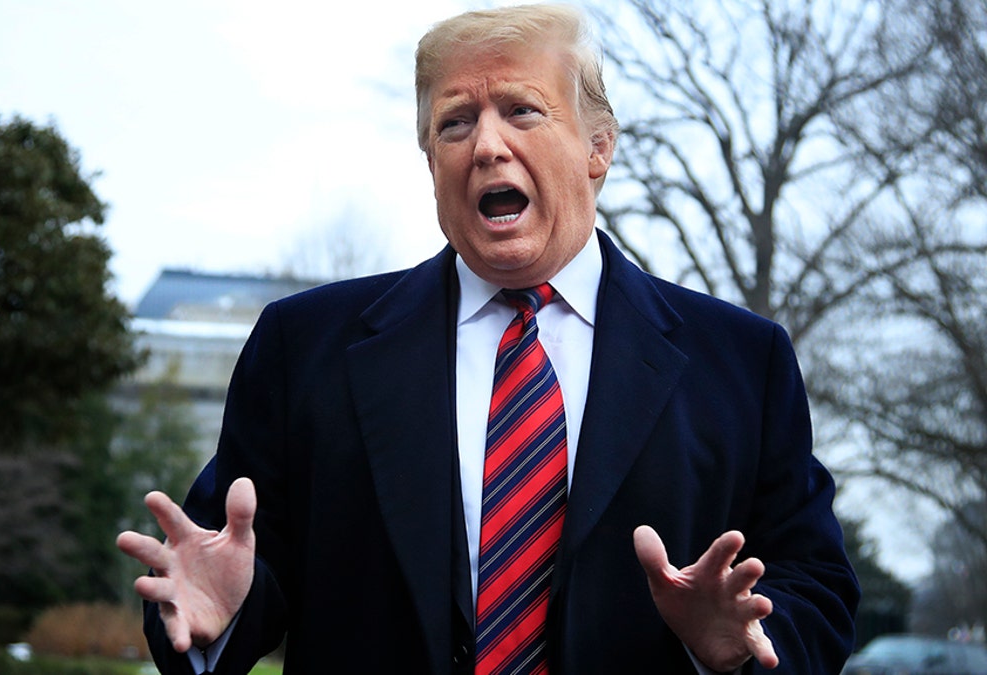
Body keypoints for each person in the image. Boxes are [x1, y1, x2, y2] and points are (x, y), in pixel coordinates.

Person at [117, 5, 859, 674]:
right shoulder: (303, 345)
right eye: (455, 122)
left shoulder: (740, 361)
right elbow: (224, 568)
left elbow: (815, 589)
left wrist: (739, 645)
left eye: (522, 111)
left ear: (598, 148)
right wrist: (226, 615)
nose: (487, 145)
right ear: (431, 162)